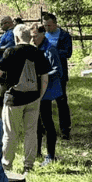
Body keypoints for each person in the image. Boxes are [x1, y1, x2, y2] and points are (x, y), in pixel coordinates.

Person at [0, 23, 49, 174]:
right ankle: (28, 165)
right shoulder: (38, 52)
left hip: (14, 99)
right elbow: (44, 78)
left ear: (16, 37)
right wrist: (40, 96)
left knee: (10, 133)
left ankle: (7, 165)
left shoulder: (11, 51)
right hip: (33, 97)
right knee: (30, 132)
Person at [40, 12, 73, 139]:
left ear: (55, 23)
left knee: (62, 101)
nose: (47, 28)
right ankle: (45, 128)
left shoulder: (64, 35)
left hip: (60, 72)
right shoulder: (42, 35)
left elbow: (68, 53)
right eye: (45, 25)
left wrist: (53, 51)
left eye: (49, 25)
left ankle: (65, 130)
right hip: (45, 71)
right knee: (44, 101)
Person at [37, 28, 64, 166]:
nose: (33, 39)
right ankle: (36, 153)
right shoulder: (33, 48)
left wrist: (43, 75)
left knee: (47, 123)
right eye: (31, 36)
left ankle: (51, 155)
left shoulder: (50, 49)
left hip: (47, 91)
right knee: (36, 124)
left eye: (35, 36)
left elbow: (58, 70)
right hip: (35, 91)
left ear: (42, 35)